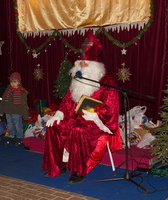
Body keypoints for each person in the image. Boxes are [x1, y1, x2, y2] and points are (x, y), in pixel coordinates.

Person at [42, 31, 122, 184]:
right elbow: (66, 103)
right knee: (54, 127)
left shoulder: (107, 82)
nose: (80, 65)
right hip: (74, 119)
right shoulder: (77, 81)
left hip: (95, 122)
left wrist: (95, 115)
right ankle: (59, 165)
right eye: (79, 63)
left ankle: (78, 171)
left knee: (78, 130)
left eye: (85, 63)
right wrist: (58, 114)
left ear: (94, 66)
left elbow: (112, 109)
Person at [0, 72, 29, 146]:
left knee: (18, 125)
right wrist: (1, 110)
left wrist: (25, 115)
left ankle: (20, 138)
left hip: (17, 112)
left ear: (19, 82)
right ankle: (11, 137)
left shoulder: (22, 92)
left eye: (14, 81)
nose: (12, 83)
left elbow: (24, 105)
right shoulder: (8, 91)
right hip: (8, 112)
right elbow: (3, 101)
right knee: (10, 125)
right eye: (11, 81)